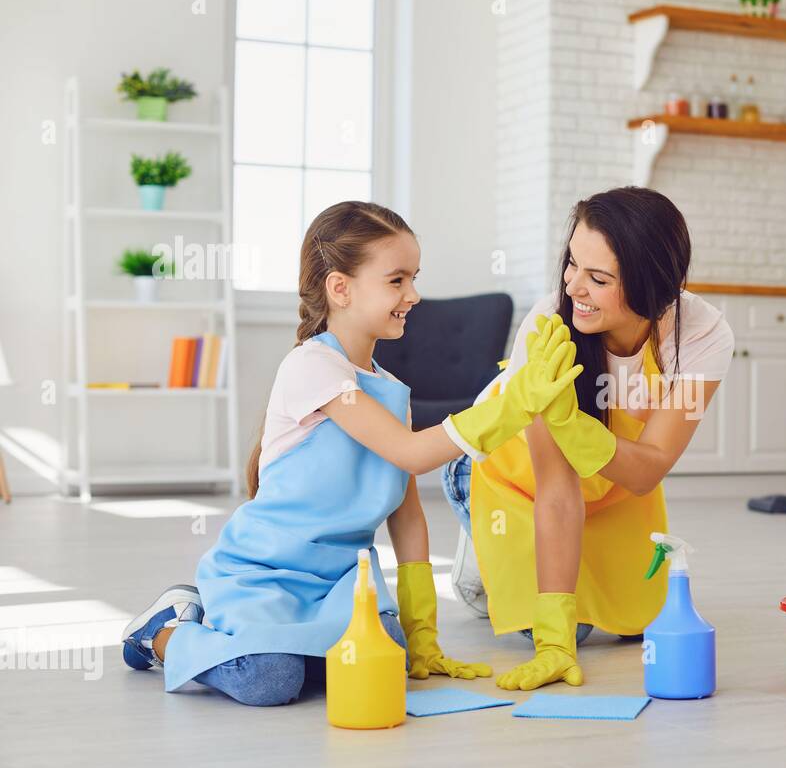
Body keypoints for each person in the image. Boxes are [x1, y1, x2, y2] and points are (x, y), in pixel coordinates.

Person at [121, 200, 580, 705]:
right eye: (397, 280)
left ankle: (280, 643)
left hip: (341, 583)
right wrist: (510, 406)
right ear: (340, 288)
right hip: (266, 575)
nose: (414, 294)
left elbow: (407, 517)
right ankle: (167, 629)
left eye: (414, 278)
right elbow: (410, 454)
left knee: (385, 662)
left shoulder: (391, 392)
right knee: (270, 681)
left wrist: (422, 635)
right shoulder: (313, 368)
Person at [440, 186, 735, 691]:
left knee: (637, 621)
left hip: (610, 486)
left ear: (653, 288)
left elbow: (649, 468)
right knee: (569, 626)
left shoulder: (701, 335)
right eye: (572, 264)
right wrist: (554, 640)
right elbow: (555, 488)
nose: (573, 286)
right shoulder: (549, 325)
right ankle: (477, 574)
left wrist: (580, 432)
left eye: (597, 278)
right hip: (512, 480)